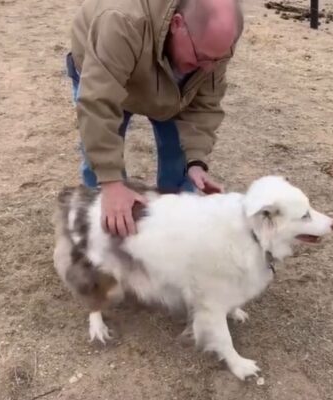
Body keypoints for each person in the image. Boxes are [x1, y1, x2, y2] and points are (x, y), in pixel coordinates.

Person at [66, 0, 244, 237]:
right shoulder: (121, 19)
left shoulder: (214, 43)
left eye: (217, 60)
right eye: (202, 57)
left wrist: (196, 161)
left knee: (179, 160)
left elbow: (206, 100)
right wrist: (110, 182)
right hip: (107, 67)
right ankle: (97, 236)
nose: (208, 68)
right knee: (99, 165)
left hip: (168, 81)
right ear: (177, 24)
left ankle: (172, 233)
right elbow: (98, 103)